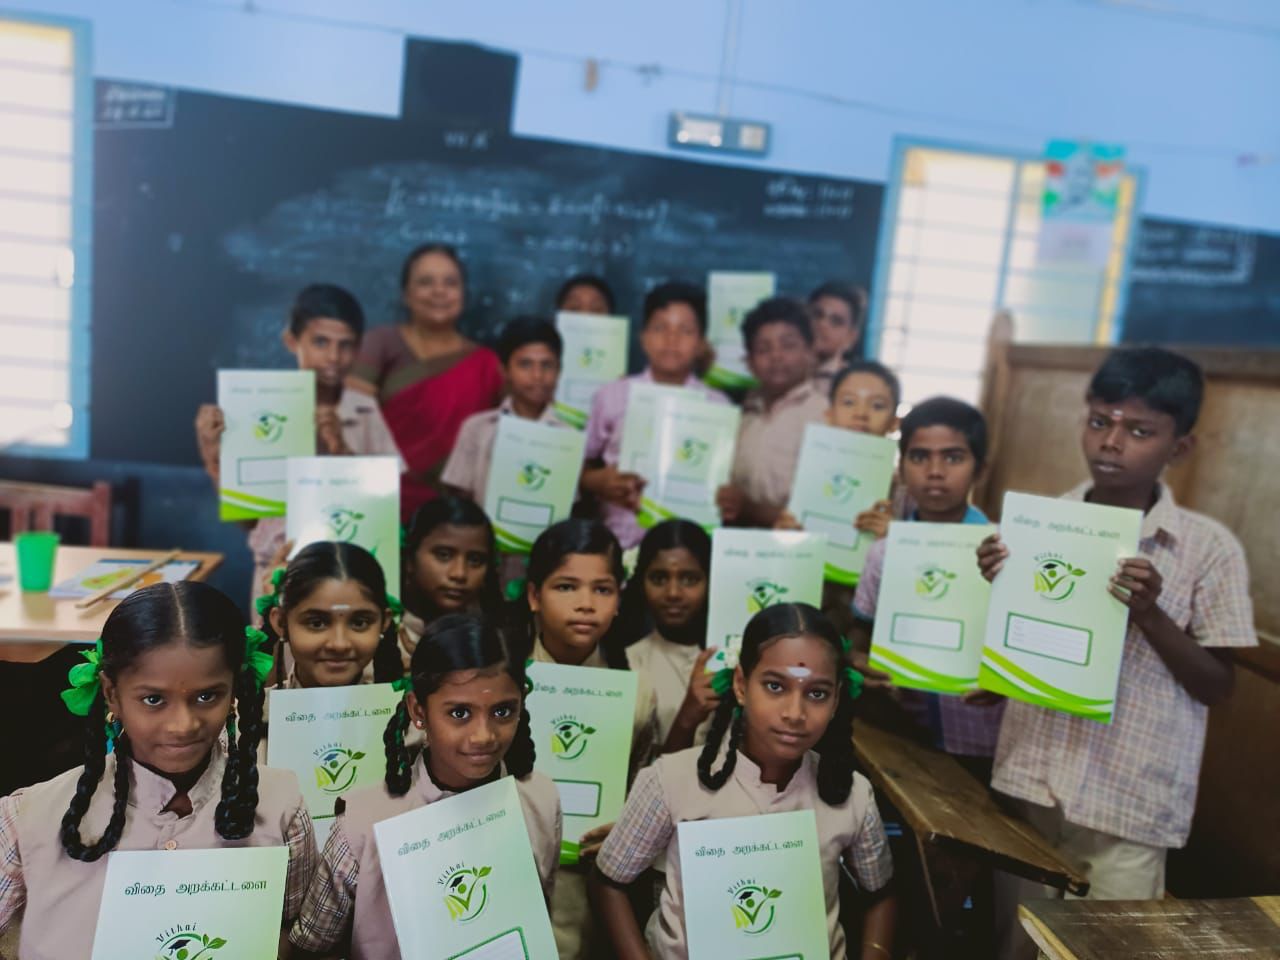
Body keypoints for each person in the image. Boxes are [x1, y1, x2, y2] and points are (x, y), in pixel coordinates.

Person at [976, 347, 1256, 960]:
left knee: (1110, 950)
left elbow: (1217, 685)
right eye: (1100, 420)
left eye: (1139, 430)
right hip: (1034, 784)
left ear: (1178, 446)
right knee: (1016, 944)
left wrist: (1151, 614)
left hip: (1128, 804)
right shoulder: (1042, 526)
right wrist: (995, 581)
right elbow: (1019, 647)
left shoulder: (1207, 550)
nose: (1112, 442)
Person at [0, 582, 317, 957]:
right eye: (153, 699)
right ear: (111, 693)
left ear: (235, 689)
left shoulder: (281, 808)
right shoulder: (27, 818)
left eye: (206, 696)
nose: (182, 725)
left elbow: (293, 934)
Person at [591, 602, 897, 960]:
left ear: (836, 700)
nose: (795, 713)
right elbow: (608, 881)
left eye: (817, 693)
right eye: (774, 686)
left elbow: (882, 894)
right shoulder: (670, 781)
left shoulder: (852, 794)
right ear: (740, 684)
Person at [288, 614, 561, 960]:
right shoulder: (362, 825)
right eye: (460, 713)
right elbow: (311, 947)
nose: (484, 736)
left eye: (503, 711)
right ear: (418, 710)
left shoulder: (540, 798)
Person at [193, 283, 402, 618]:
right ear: (292, 341)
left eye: (345, 345)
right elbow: (247, 520)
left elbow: (384, 516)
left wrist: (340, 451)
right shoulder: (259, 409)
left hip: (350, 577)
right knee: (277, 663)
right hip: (277, 573)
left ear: (358, 348)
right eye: (321, 342)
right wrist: (212, 456)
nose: (333, 358)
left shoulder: (364, 412)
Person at [517, 519, 659, 960]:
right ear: (535, 596)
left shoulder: (635, 692)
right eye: (566, 587)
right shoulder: (501, 681)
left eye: (602, 589)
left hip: (589, 884)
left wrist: (628, 829)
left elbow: (641, 788)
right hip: (511, 867)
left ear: (619, 600)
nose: (585, 604)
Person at [851, 397, 1004, 775]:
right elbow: (858, 635)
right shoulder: (884, 554)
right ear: (901, 468)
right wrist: (857, 661)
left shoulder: (1003, 554)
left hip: (984, 742)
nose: (935, 471)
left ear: (980, 470)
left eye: (953, 458)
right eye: (919, 457)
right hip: (900, 737)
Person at [348, 244, 504, 519]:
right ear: (406, 294)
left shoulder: (487, 364)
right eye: (425, 282)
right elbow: (352, 422)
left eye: (450, 283)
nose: (439, 291)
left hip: (458, 518)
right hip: (381, 507)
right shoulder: (381, 344)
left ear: (463, 294)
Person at [581, 282, 728, 549]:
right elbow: (581, 464)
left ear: (701, 343)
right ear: (643, 337)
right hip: (619, 543)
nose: (672, 340)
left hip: (689, 549)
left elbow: (723, 481)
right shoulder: (612, 395)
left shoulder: (717, 406)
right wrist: (597, 481)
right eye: (660, 328)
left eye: (685, 330)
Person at [718, 297, 827, 527]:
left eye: (788, 345)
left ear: (810, 351)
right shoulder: (739, 417)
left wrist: (750, 509)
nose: (776, 356)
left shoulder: (824, 417)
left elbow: (824, 508)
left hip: (795, 549)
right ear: (748, 361)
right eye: (763, 349)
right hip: (736, 543)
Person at [616, 520, 718, 752]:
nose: (673, 593)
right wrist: (686, 719)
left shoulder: (735, 656)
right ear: (642, 581)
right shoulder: (628, 663)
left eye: (689, 579)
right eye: (659, 578)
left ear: (711, 581)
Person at [441, 316, 567, 504]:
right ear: (504, 370)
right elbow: (458, 494)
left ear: (559, 371)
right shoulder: (477, 428)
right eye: (525, 364)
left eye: (547, 365)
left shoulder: (568, 436)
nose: (537, 375)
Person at [398, 498, 502, 669]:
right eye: (444, 555)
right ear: (410, 560)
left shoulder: (497, 640)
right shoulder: (378, 636)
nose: (459, 573)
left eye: (475, 560)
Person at [808, 281, 867, 387]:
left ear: (851, 337)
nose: (822, 324)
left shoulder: (853, 385)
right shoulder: (777, 371)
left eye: (836, 321)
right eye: (817, 315)